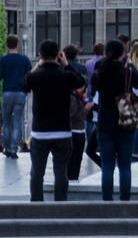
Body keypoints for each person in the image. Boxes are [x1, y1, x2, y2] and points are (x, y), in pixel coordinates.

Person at [24, 40, 81, 202]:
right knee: (61, 172)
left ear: (40, 55)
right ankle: (60, 205)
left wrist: (37, 65)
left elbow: (24, 83)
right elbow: (80, 81)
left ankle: (36, 204)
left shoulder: (35, 76)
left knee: (37, 172)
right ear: (58, 55)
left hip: (40, 132)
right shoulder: (65, 75)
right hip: (62, 131)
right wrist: (66, 64)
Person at [91, 39, 136, 203]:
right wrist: (129, 64)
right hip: (125, 120)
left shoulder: (100, 69)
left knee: (107, 165)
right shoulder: (127, 71)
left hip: (105, 122)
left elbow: (93, 87)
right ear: (122, 53)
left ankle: (107, 200)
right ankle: (125, 199)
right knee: (125, 166)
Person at [0, 34, 32, 158]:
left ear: (7, 45)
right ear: (18, 44)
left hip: (7, 92)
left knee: (7, 121)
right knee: (17, 121)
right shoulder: (24, 59)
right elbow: (29, 76)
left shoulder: (3, 59)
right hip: (20, 93)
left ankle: (7, 147)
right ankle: (13, 149)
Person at [62, 47, 88, 181]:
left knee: (71, 161)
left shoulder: (72, 96)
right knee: (75, 160)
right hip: (75, 131)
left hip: (73, 131)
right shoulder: (74, 98)